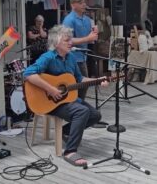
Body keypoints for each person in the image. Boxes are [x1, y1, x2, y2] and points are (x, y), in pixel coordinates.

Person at [24, 25, 108, 167]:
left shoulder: (71, 58)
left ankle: (66, 131)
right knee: (82, 111)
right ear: (56, 43)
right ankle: (70, 151)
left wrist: (98, 81)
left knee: (95, 115)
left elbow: (79, 79)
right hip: (49, 102)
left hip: (67, 100)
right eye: (67, 40)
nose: (71, 43)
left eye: (70, 40)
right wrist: (50, 89)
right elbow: (28, 74)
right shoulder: (48, 57)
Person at [63, 0, 98, 100]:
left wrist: (94, 34)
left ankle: (77, 104)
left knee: (81, 84)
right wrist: (88, 38)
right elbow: (67, 40)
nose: (84, 4)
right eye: (80, 3)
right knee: (80, 84)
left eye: (84, 2)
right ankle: (77, 105)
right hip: (71, 57)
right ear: (73, 5)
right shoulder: (69, 20)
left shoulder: (87, 19)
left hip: (83, 56)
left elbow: (91, 38)